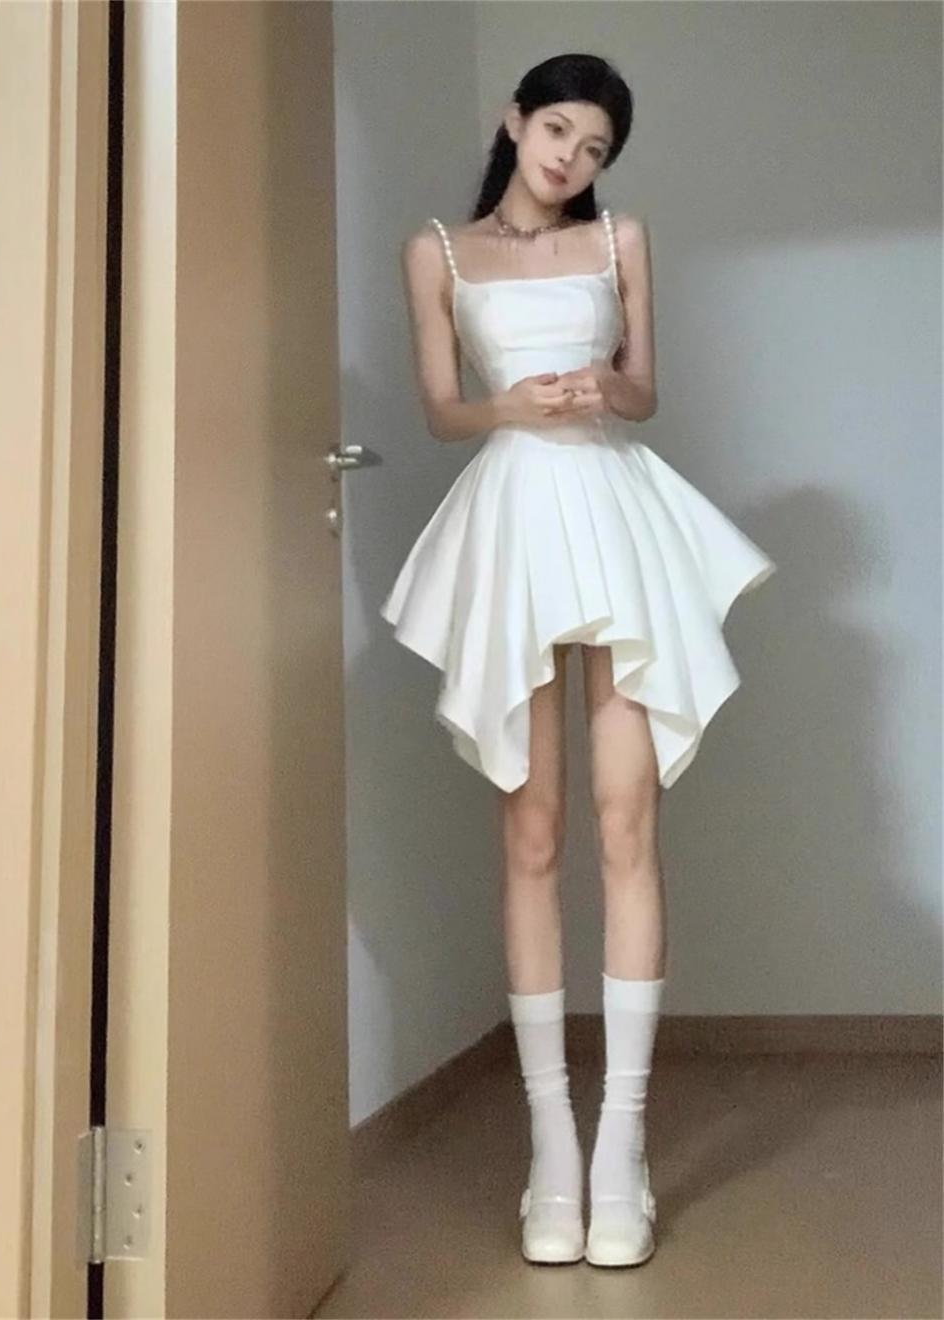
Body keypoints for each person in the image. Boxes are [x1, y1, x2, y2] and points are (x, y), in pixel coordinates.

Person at [379, 52, 776, 1268]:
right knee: (534, 831)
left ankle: (622, 1148)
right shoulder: (437, 251)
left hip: (612, 508)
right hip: (513, 516)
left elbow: (644, 395)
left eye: (595, 147)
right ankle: (552, 1147)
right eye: (559, 130)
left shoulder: (621, 241)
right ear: (515, 122)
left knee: (626, 823)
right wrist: (516, 408)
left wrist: (598, 385)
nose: (572, 158)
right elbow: (443, 409)